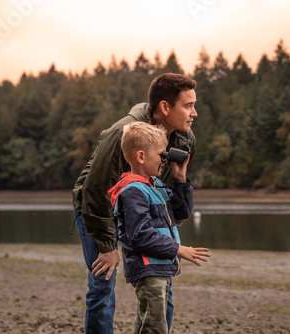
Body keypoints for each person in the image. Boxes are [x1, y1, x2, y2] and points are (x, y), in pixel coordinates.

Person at [72, 73, 198, 334]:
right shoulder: (122, 133)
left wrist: (167, 240)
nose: (194, 113)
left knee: (162, 283)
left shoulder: (184, 139)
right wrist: (107, 247)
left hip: (145, 208)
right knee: (102, 285)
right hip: (98, 209)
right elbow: (96, 193)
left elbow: (168, 201)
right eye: (188, 105)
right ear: (165, 107)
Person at [107, 121, 210, 333]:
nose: (165, 159)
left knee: (147, 323)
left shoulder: (154, 185)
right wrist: (178, 249)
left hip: (159, 265)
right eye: (161, 155)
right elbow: (140, 236)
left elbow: (181, 212)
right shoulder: (133, 191)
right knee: (155, 327)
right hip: (148, 267)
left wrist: (180, 179)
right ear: (141, 157)